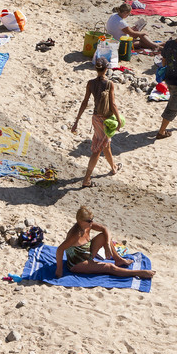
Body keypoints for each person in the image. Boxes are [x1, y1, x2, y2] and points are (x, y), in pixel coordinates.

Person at [55, 206, 154, 280]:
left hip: (87, 253)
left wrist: (107, 245)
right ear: (80, 221)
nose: (91, 222)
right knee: (109, 267)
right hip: (78, 263)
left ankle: (118, 259)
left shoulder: (88, 226)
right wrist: (59, 270)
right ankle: (139, 273)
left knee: (104, 236)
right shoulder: (75, 234)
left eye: (92, 220)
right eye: (89, 221)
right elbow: (60, 250)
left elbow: (105, 229)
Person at [71, 58, 121, 188]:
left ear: (96, 69)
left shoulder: (90, 83)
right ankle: (87, 179)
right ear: (106, 69)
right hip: (106, 120)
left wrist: (76, 121)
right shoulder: (109, 84)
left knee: (105, 144)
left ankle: (114, 167)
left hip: (95, 118)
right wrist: (119, 120)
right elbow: (113, 104)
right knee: (97, 149)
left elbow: (84, 102)